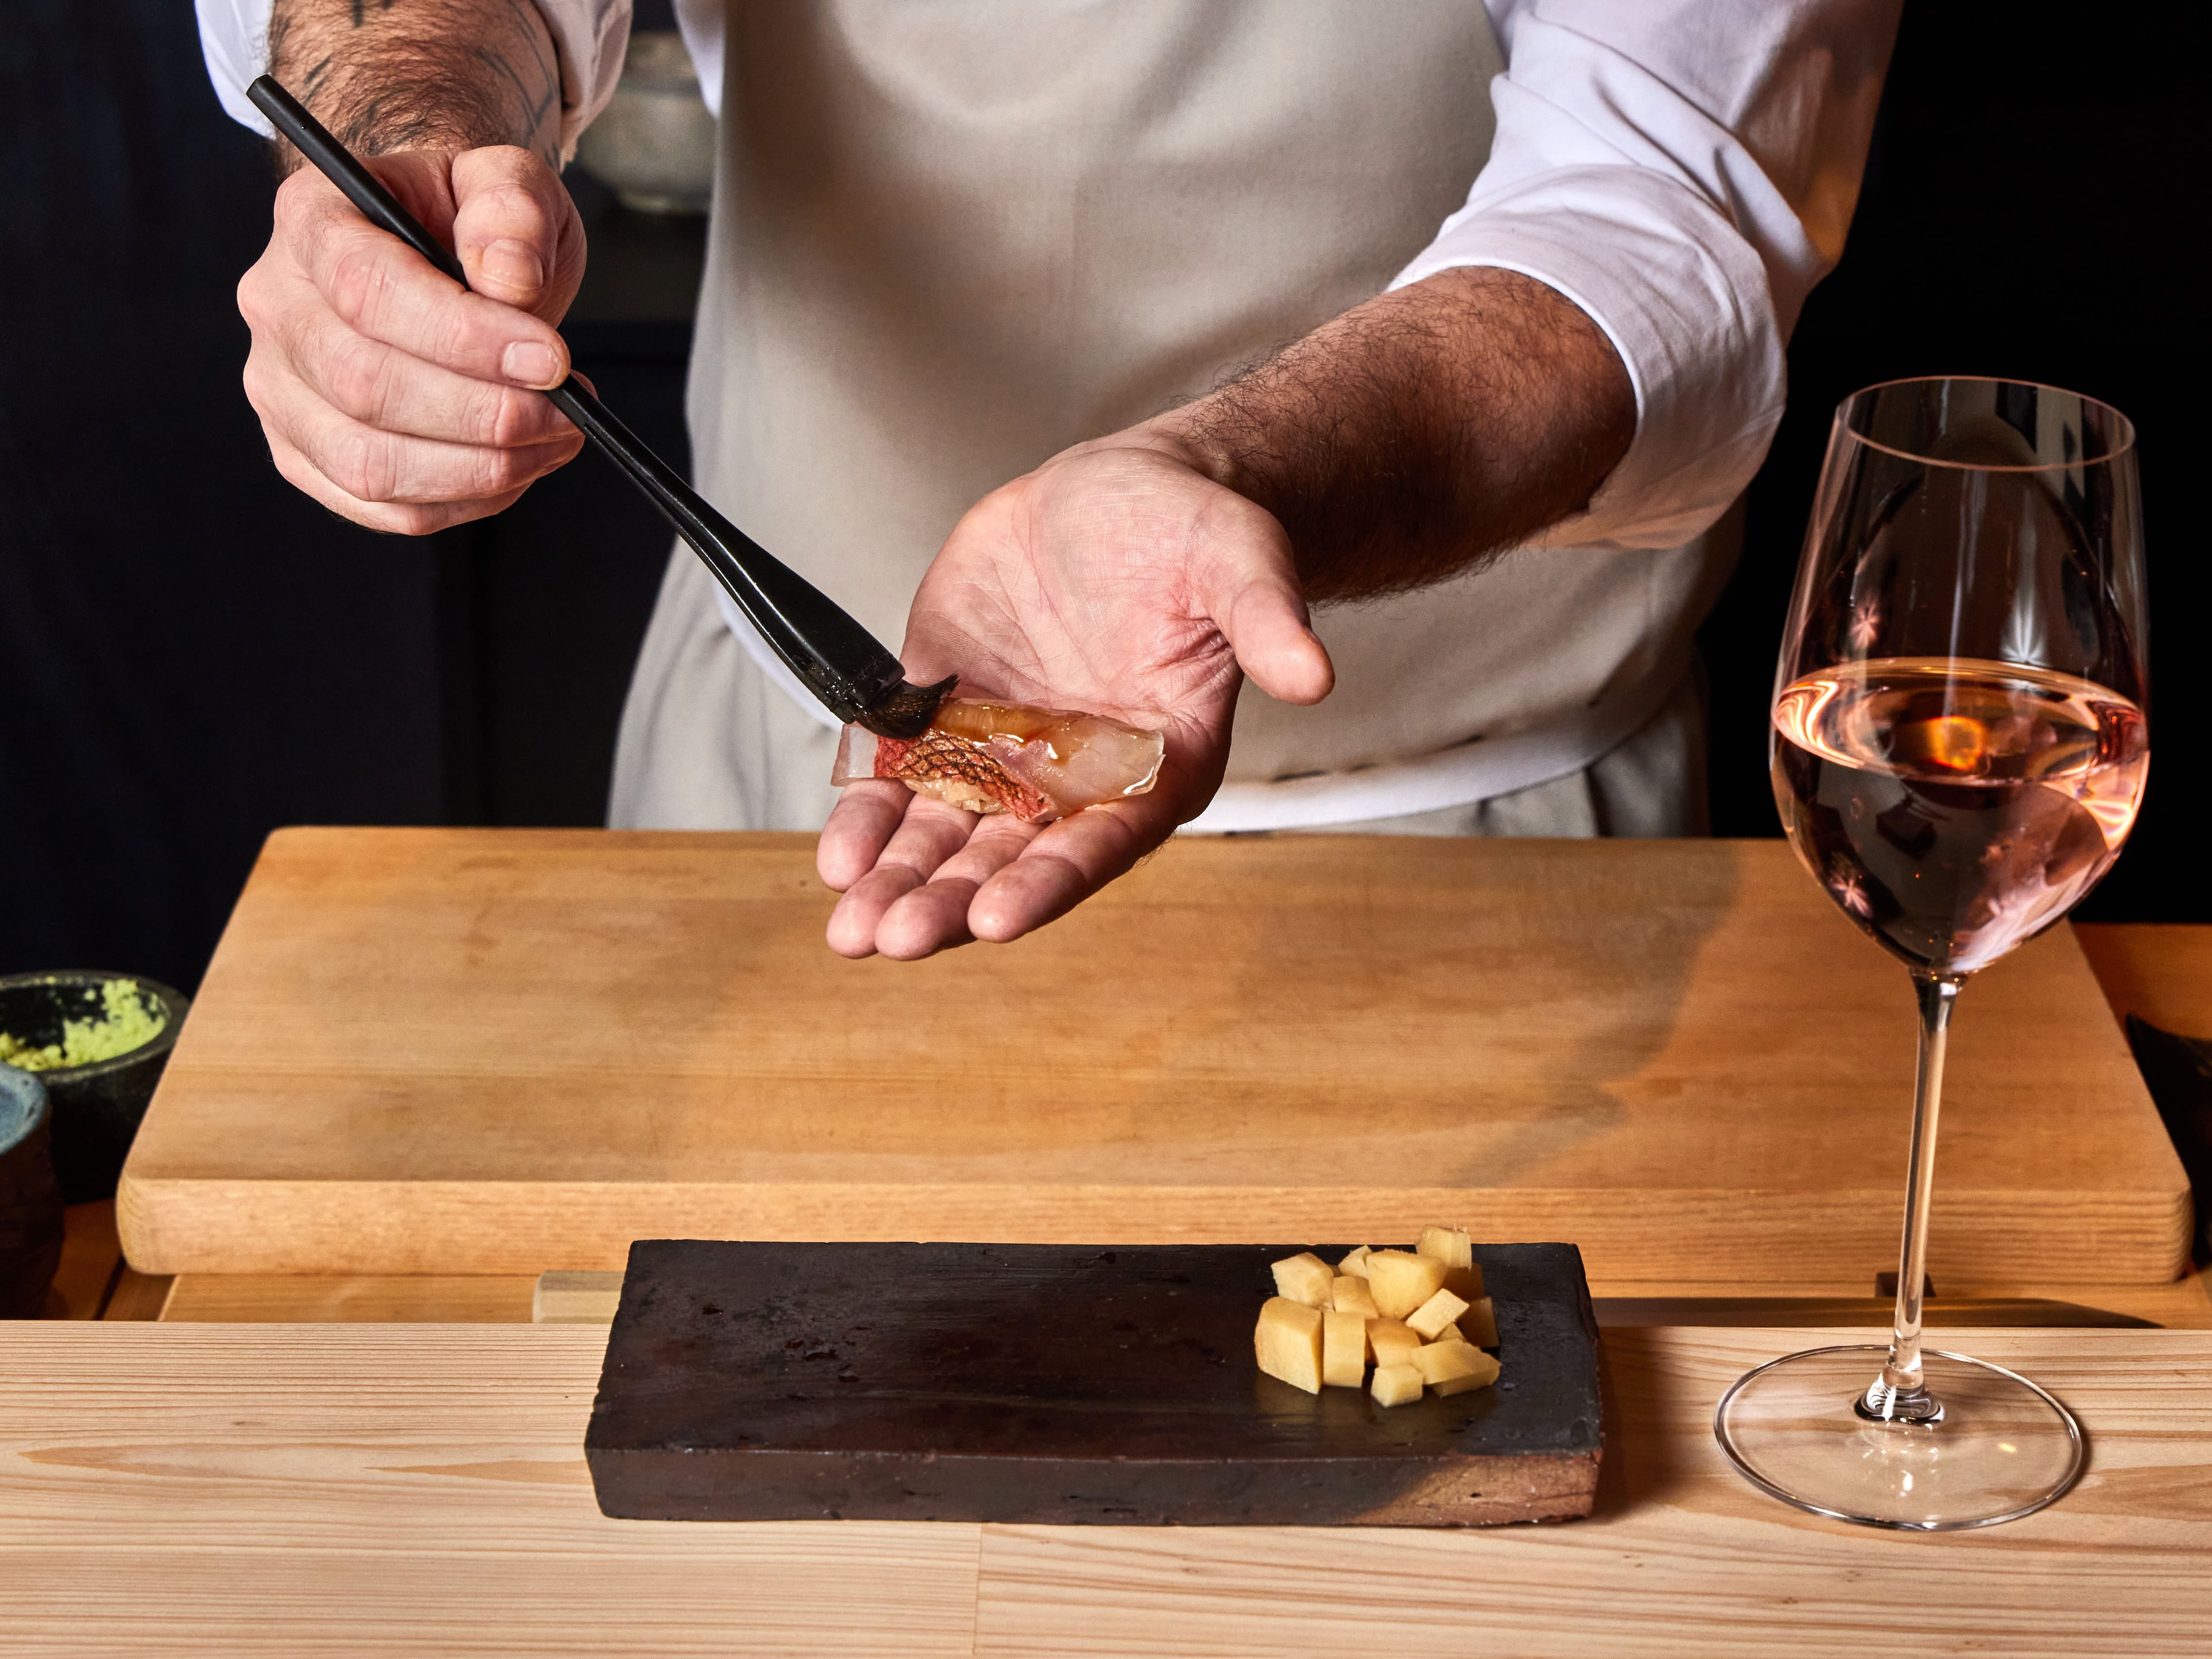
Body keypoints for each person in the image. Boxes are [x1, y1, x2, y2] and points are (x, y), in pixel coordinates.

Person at [196, 0, 1897, 959]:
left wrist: (1240, 477)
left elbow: (1660, 209)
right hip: (791, 803)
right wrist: (411, 133)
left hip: (1491, 860)